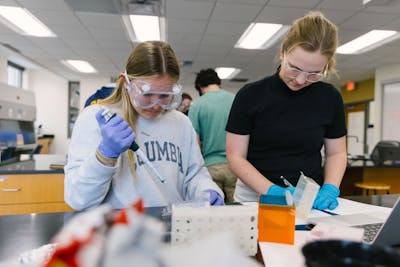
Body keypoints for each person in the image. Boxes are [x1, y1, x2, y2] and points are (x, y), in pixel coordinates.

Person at [64, 41, 224, 210]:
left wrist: (206, 191)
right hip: (120, 231)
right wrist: (105, 156)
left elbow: (195, 175)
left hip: (172, 227)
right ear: (126, 83)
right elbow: (77, 198)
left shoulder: (181, 122)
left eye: (165, 95)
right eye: (147, 94)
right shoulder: (95, 119)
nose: (156, 105)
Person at [225, 11, 347, 210]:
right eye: (295, 68)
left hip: (309, 197)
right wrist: (273, 191)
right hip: (255, 194)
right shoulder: (251, 95)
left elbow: (336, 153)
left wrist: (330, 188)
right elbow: (235, 157)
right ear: (283, 52)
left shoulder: (330, 98)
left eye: (314, 74)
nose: (300, 80)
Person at [188, 68, 237, 203]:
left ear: (199, 86)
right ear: (218, 82)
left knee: (215, 216)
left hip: (210, 167)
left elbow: (194, 143)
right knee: (239, 214)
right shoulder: (235, 100)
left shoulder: (197, 105)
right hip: (235, 166)